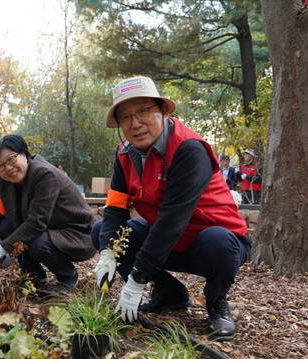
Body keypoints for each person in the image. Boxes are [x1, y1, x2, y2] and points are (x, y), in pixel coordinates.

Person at [91, 76, 250, 341]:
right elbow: (117, 207)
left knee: (218, 241)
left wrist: (136, 280)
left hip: (209, 242)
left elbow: (172, 220)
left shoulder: (189, 149)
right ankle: (169, 292)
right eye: (126, 117)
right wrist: (108, 252)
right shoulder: (123, 154)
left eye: (143, 111)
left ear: (162, 111)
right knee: (103, 233)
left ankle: (217, 305)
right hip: (167, 243)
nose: (136, 123)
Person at [0, 134, 96, 291]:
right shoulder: (6, 181)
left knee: (38, 242)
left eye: (11, 159)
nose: (8, 168)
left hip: (76, 234)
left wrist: (2, 248)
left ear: (23, 154)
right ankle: (33, 275)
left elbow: (37, 222)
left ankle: (68, 278)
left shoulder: (44, 174)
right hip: (48, 229)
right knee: (5, 227)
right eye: (1, 166)